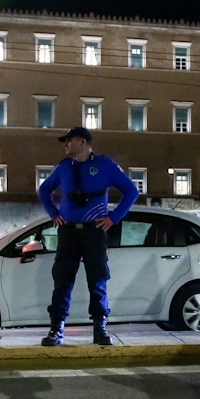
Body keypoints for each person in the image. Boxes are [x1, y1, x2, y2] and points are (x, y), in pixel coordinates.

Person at [36, 126, 139, 346]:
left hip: (94, 232)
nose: (65, 145)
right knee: (62, 280)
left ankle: (100, 328)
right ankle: (56, 329)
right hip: (68, 233)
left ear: (83, 141)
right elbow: (43, 191)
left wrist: (114, 217)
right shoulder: (64, 168)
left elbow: (131, 191)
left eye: (69, 140)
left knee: (97, 280)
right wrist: (54, 214)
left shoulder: (104, 165)